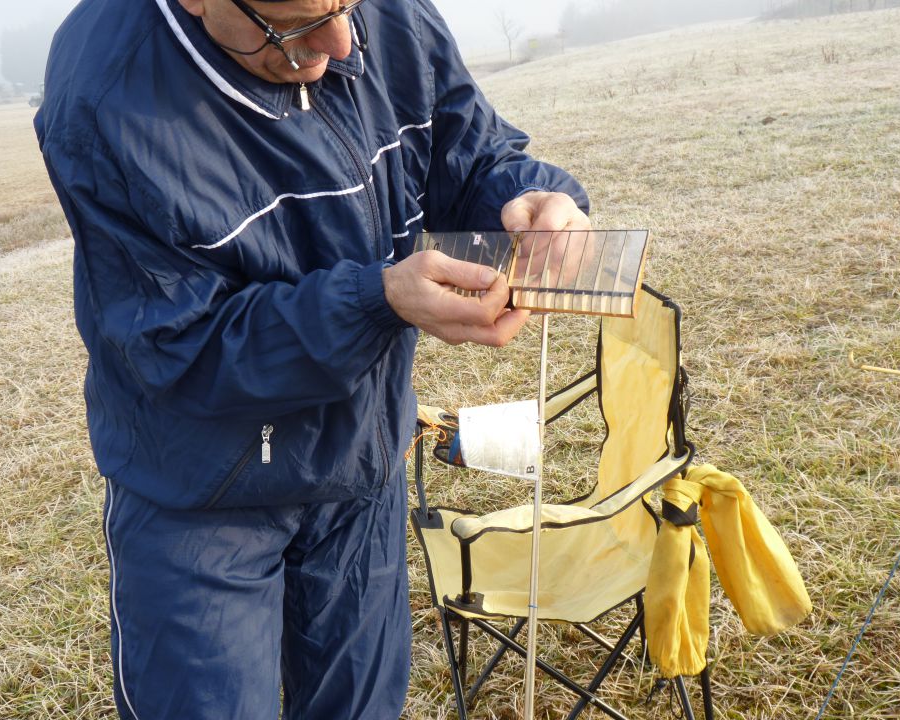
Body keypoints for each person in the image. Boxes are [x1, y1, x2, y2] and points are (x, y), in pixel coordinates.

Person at [35, 0, 590, 717]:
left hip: (360, 459)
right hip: (202, 490)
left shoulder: (380, 17)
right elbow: (176, 345)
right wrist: (375, 303)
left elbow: (468, 151)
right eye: (296, 25)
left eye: (347, 6)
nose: (343, 42)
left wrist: (522, 196)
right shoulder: (104, 93)